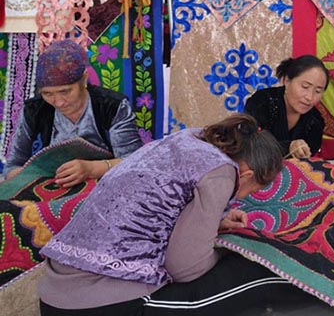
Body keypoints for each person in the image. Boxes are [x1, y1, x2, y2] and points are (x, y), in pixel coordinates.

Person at [39, 113, 285, 315]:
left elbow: (161, 204)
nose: (245, 195)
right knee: (251, 275)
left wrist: (216, 220)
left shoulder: (187, 139)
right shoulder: (223, 173)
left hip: (55, 294)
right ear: (248, 175)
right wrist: (222, 253)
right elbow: (186, 268)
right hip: (97, 304)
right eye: (254, 189)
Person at [4, 39, 142, 186]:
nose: (58, 102)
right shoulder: (34, 109)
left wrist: (92, 169)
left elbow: (133, 160)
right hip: (54, 184)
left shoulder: (112, 106)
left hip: (105, 182)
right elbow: (13, 165)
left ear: (84, 79)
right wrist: (27, 181)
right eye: (47, 94)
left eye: (65, 91)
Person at [244, 55, 328, 158]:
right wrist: (288, 147)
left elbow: (308, 159)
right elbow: (249, 144)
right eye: (305, 87)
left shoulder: (316, 121)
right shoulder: (261, 102)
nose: (309, 97)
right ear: (287, 80)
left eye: (318, 91)